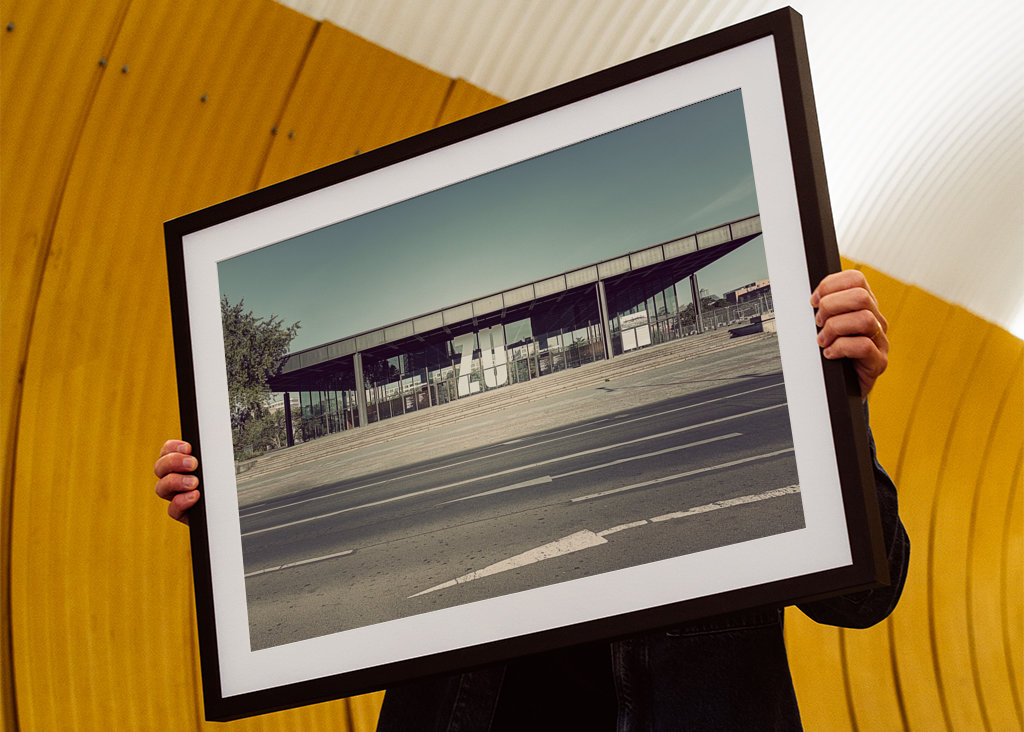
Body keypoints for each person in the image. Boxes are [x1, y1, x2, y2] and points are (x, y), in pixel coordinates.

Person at [155, 269, 909, 731]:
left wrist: (840, 403)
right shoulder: (436, 481)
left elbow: (865, 596)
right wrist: (230, 516)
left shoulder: (772, 412)